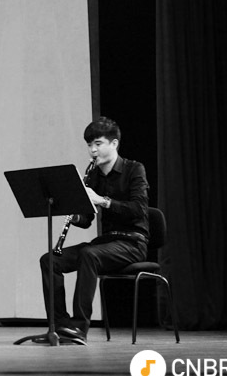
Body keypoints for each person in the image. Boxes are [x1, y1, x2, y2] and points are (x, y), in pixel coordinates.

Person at [39, 116, 149, 344]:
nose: (92, 150)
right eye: (89, 145)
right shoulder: (94, 175)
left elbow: (139, 209)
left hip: (133, 242)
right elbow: (87, 219)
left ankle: (79, 328)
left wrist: (103, 201)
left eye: (98, 144)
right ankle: (59, 326)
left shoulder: (134, 169)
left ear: (114, 143)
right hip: (106, 243)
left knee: (89, 255)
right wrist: (74, 212)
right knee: (50, 260)